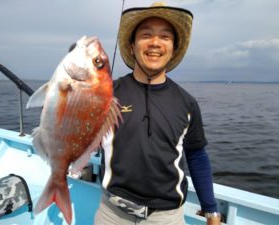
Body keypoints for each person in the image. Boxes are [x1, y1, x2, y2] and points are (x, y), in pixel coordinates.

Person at [94, 2, 221, 225]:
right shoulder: (104, 95)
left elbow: (196, 156)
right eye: (146, 34)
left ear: (173, 48)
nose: (155, 43)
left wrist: (211, 211)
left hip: (167, 217)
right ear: (132, 45)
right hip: (111, 213)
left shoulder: (187, 103)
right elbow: (81, 139)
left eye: (165, 36)